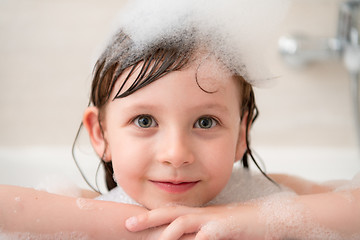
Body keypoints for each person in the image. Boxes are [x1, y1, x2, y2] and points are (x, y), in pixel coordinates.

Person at [1, 0, 360, 239]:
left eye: (205, 122)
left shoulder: (267, 197)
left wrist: (245, 220)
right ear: (101, 134)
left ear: (241, 134)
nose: (176, 154)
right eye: (144, 121)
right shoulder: (87, 208)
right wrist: (130, 227)